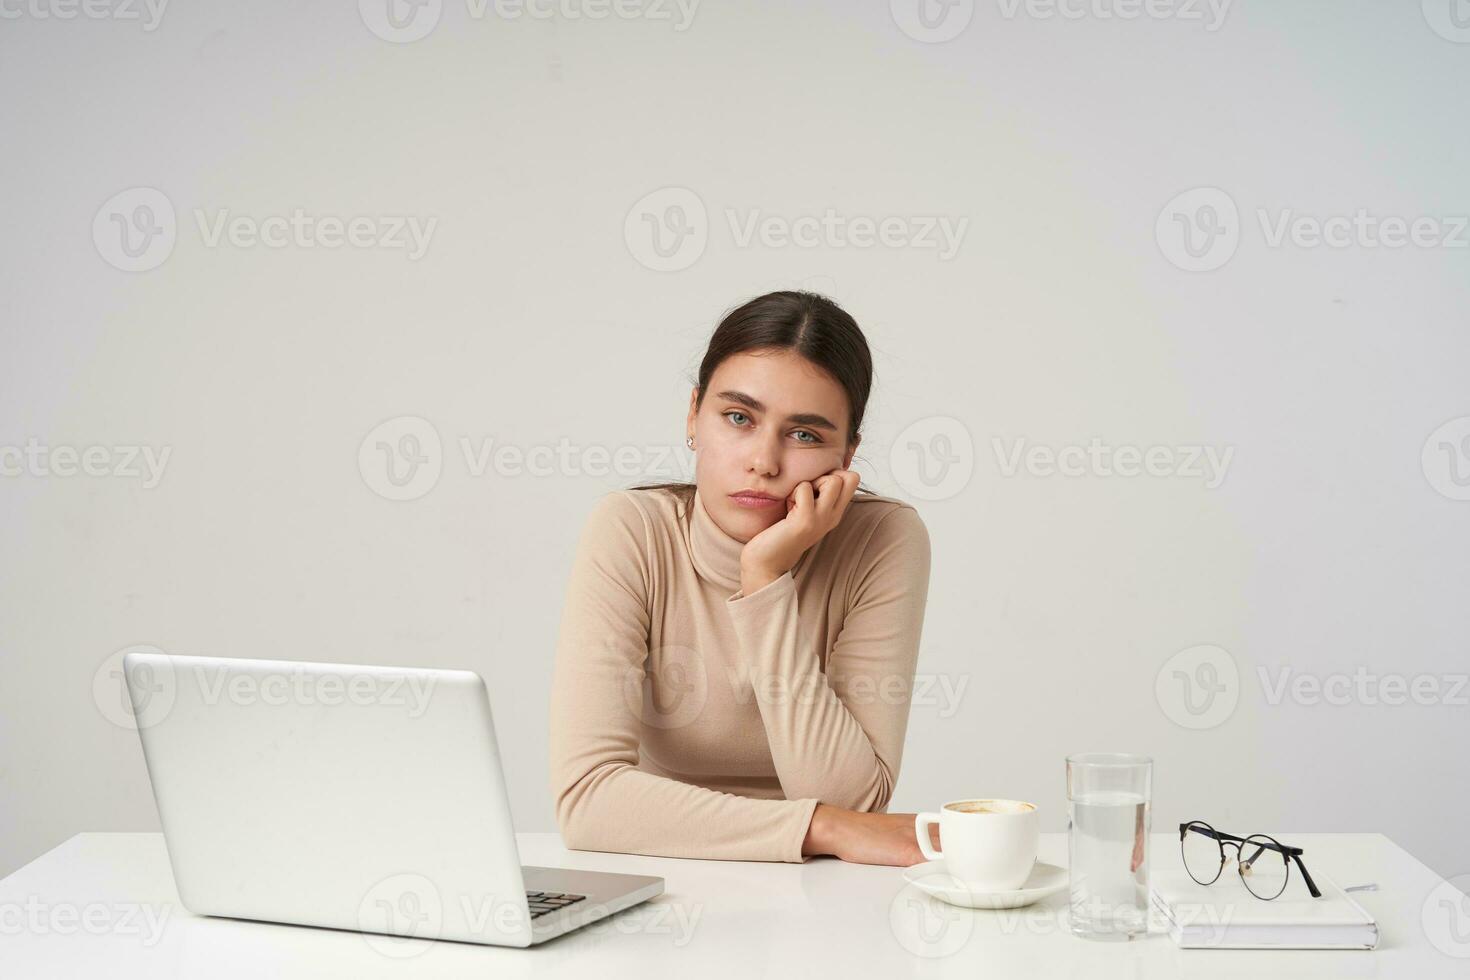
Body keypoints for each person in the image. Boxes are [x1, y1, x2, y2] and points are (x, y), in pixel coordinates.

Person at [548, 289, 937, 865]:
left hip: (821, 894)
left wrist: (763, 578)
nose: (764, 460)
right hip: (664, 870)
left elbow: (852, 797)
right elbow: (587, 801)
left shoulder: (881, 539)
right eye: (738, 418)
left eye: (805, 434)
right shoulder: (633, 530)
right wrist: (821, 829)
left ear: (847, 454)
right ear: (693, 416)